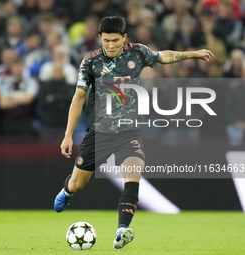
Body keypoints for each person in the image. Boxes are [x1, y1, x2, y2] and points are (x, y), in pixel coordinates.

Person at [53, 16, 214, 250]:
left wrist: (193, 53)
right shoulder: (90, 63)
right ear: (100, 38)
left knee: (132, 178)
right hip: (98, 134)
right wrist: (68, 135)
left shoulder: (137, 53)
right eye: (106, 40)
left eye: (115, 41)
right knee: (77, 184)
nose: (110, 45)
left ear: (124, 38)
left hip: (129, 132)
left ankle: (122, 230)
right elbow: (78, 98)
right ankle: (67, 191)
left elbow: (164, 56)